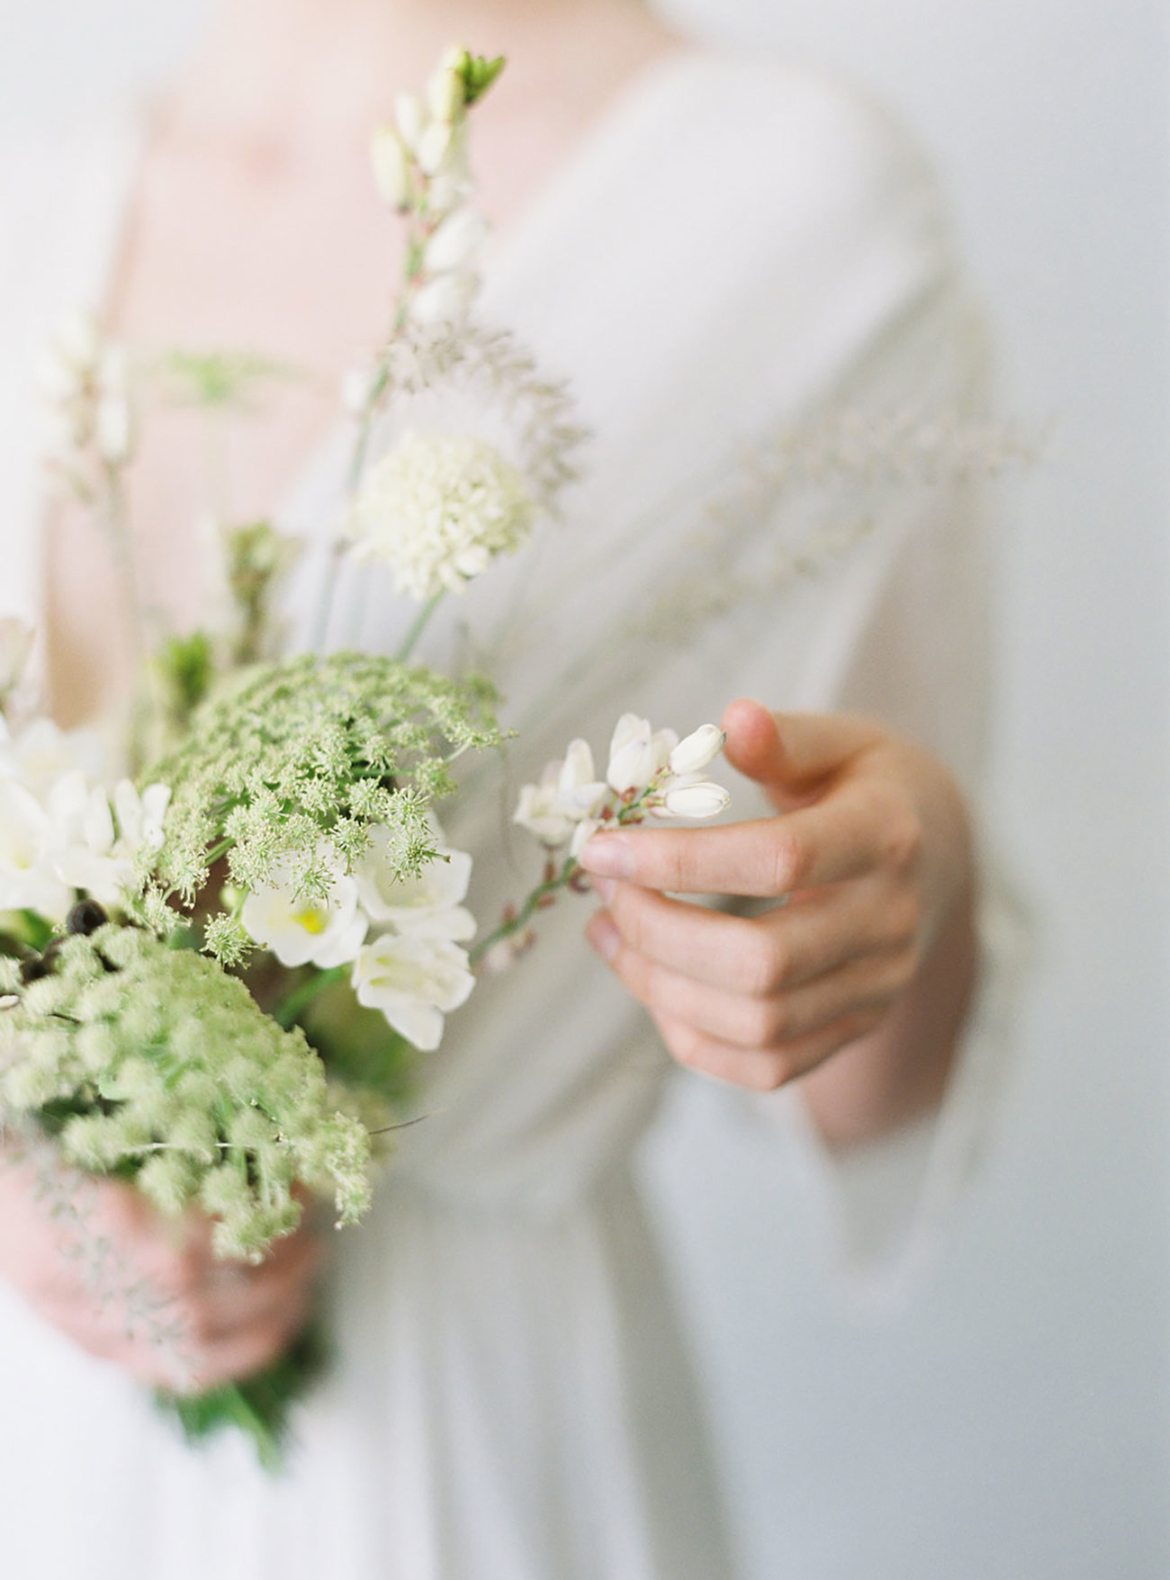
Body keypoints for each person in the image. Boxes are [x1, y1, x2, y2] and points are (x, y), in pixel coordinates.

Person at [0, 1, 1015, 1576]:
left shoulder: (787, 211)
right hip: (41, 1441)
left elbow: (856, 1065)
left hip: (472, 1446)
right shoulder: (39, 195)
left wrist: (911, 880)